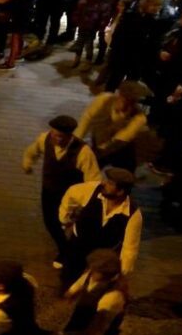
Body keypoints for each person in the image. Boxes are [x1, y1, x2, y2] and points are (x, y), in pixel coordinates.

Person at [23, 115, 102, 268]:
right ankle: (65, 249)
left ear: (70, 135)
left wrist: (87, 202)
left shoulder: (83, 152)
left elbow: (93, 180)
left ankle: (69, 252)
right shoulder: (44, 139)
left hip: (71, 197)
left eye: (61, 136)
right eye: (54, 134)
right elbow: (32, 151)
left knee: (68, 224)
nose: (56, 138)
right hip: (49, 190)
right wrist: (27, 163)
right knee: (50, 222)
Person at [59, 166, 142, 285]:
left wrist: (121, 274)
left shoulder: (133, 215)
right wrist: (65, 220)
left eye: (110, 183)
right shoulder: (91, 190)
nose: (103, 183)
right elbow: (71, 194)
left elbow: (130, 249)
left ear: (120, 191)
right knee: (68, 278)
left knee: (93, 289)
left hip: (102, 260)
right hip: (77, 248)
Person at [74, 79, 151, 171]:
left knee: (124, 172)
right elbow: (86, 120)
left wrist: (95, 154)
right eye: (124, 98)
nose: (126, 103)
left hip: (119, 148)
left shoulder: (139, 118)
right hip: (99, 139)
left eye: (131, 101)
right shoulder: (103, 99)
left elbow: (119, 140)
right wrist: (74, 142)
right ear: (119, 94)